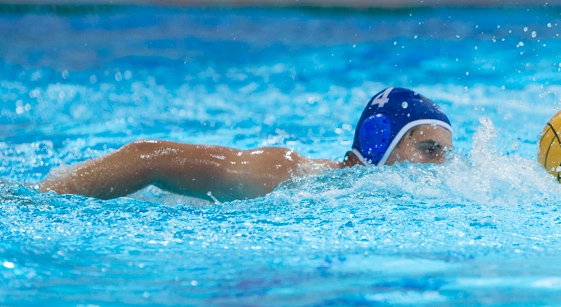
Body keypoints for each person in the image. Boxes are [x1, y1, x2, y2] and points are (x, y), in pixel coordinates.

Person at [38, 88, 453, 202]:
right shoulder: (288, 174)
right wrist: (37, 198)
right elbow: (146, 157)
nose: (441, 167)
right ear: (381, 141)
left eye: (446, 155)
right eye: (429, 150)